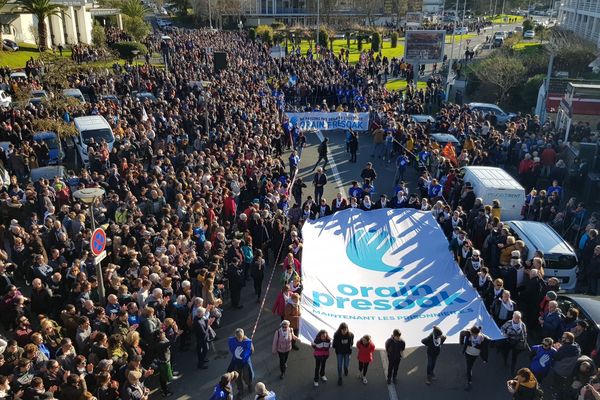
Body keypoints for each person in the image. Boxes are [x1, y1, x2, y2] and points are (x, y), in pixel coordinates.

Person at [552, 332, 581, 400]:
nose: (562, 338)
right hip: (568, 370)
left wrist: (557, 348)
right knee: (562, 384)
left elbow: (556, 357)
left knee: (558, 385)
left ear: (568, 340)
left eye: (563, 337)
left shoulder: (565, 349)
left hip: (560, 370)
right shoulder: (576, 346)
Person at [460, 326, 490, 391]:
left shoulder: (483, 338)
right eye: (472, 333)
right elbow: (461, 333)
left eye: (474, 334)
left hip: (475, 354)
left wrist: (485, 358)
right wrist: (461, 343)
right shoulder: (468, 334)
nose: (473, 334)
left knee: (470, 365)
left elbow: (485, 349)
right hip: (468, 352)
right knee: (469, 366)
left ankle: (469, 374)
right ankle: (469, 382)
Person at [227, 328, 254, 397]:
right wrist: (236, 355)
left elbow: (251, 351)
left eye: (240, 338)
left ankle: (249, 384)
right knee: (237, 377)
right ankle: (240, 390)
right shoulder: (232, 341)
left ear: (243, 335)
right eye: (238, 338)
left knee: (247, 375)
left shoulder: (247, 341)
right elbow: (231, 348)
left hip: (245, 362)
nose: (239, 339)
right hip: (236, 362)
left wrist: (244, 355)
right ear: (235, 336)